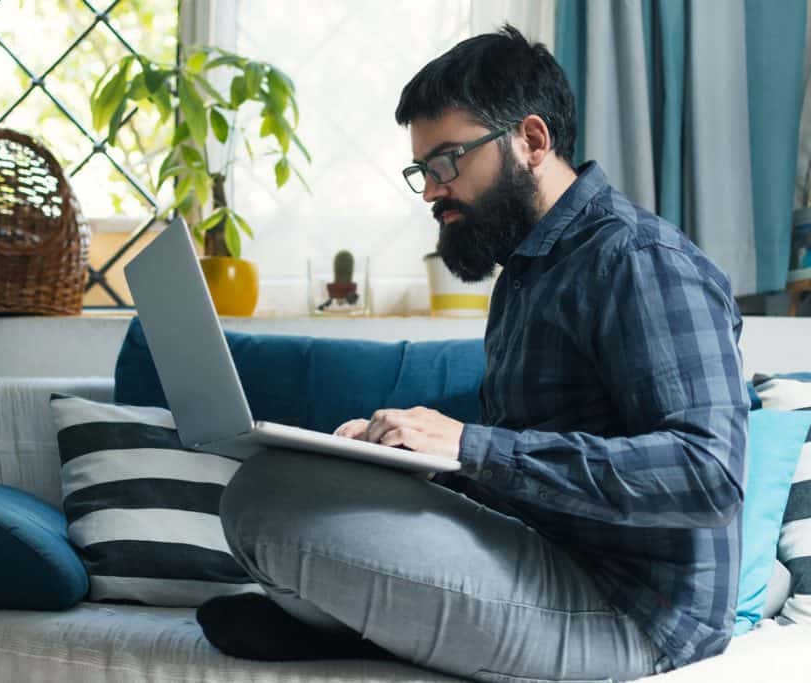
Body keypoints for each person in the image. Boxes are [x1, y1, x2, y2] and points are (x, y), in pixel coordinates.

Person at [196, 25, 749, 682]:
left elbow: (708, 475)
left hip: (636, 611)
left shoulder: (638, 261)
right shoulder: (526, 270)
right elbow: (532, 474)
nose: (430, 190)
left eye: (447, 161)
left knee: (266, 503)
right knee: (278, 484)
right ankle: (391, 623)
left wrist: (468, 444)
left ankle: (374, 629)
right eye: (422, 170)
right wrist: (401, 463)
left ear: (532, 140)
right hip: (548, 555)